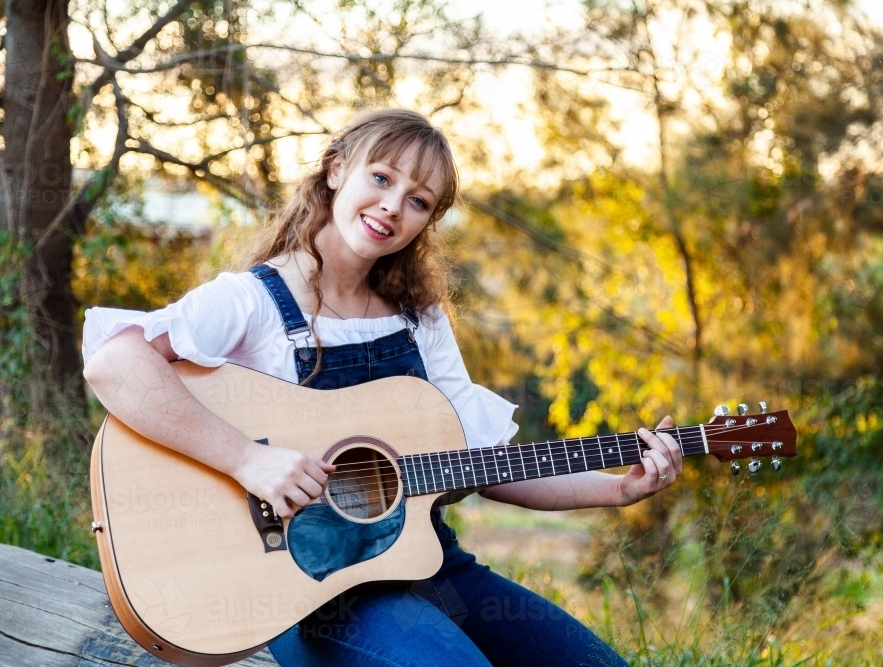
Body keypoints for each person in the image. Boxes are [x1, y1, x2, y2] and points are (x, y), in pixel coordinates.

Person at [82, 108, 682, 667]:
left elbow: (484, 462)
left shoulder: (418, 320)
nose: (393, 206)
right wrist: (248, 460)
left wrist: (618, 489)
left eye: (418, 200)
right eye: (381, 176)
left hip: (427, 563)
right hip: (312, 592)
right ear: (337, 169)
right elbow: (114, 364)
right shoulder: (253, 301)